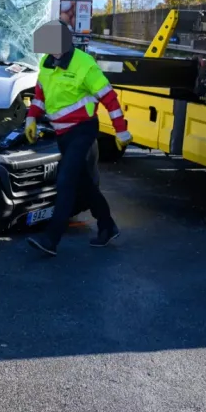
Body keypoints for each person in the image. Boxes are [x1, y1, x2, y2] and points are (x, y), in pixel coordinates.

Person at [24, 21, 130, 256]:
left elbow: (110, 99)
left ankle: (51, 239)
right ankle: (107, 226)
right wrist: (31, 118)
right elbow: (40, 95)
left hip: (83, 130)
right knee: (83, 183)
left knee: (65, 181)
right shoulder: (46, 62)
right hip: (62, 133)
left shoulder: (85, 65)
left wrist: (121, 131)